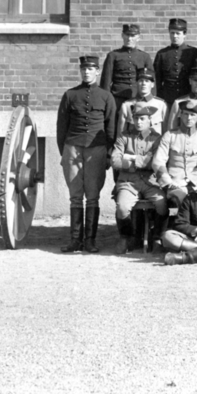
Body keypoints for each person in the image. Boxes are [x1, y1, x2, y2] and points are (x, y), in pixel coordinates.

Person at [56, 55, 117, 254]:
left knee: (92, 196)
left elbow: (111, 128)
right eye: (83, 69)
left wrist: (108, 153)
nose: (86, 72)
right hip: (72, 147)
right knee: (75, 196)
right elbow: (61, 127)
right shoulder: (70, 95)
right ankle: (75, 240)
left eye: (90, 69)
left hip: (96, 149)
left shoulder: (106, 97)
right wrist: (64, 153)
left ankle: (90, 241)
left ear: (97, 71)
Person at [109, 103, 166, 254]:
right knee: (122, 207)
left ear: (150, 120)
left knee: (162, 203)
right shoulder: (124, 137)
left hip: (150, 182)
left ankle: (157, 237)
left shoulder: (157, 139)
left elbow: (156, 162)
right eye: (136, 119)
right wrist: (142, 162)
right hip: (128, 182)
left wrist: (131, 158)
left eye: (142, 119)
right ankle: (126, 237)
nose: (139, 122)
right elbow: (115, 161)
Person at [152, 99, 197, 211]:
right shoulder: (170, 135)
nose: (189, 118)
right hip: (174, 183)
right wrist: (168, 182)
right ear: (180, 115)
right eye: (186, 114)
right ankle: (173, 221)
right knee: (177, 200)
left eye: (192, 115)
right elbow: (158, 162)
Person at [100, 23, 152, 114]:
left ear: (138, 38)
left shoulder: (144, 57)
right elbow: (106, 82)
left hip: (138, 98)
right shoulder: (113, 55)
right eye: (127, 35)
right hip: (117, 98)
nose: (129, 38)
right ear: (122, 35)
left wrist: (149, 100)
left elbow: (151, 80)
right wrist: (107, 101)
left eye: (132, 36)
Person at [154, 18, 197, 108]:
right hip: (168, 98)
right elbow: (157, 79)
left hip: (188, 97)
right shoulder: (162, 54)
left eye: (178, 33)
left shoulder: (193, 52)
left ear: (184, 34)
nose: (175, 36)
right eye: (172, 33)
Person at [116, 67, 166, 140]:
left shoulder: (161, 105)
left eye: (147, 81)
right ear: (136, 83)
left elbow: (166, 132)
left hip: (154, 144)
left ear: (152, 84)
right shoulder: (127, 105)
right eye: (141, 81)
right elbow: (121, 133)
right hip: (133, 144)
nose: (143, 83)